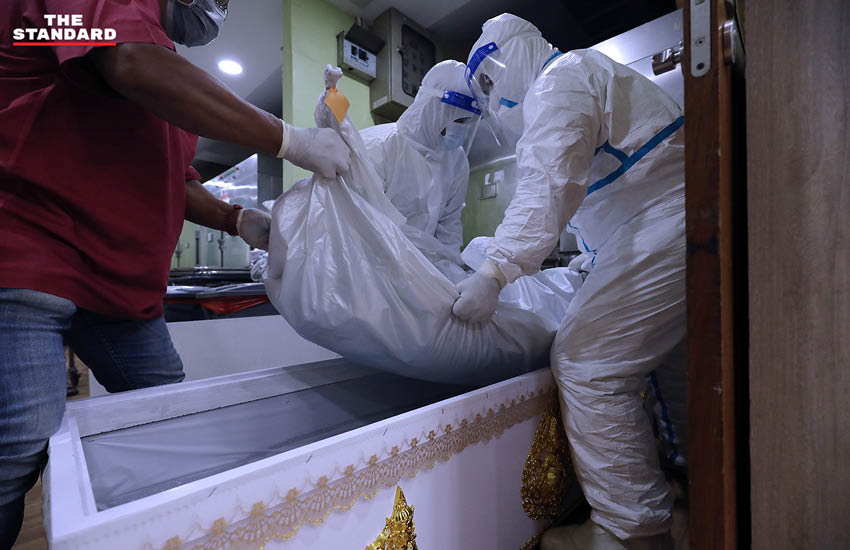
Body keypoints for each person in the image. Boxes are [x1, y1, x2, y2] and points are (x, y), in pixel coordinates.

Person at [0, 0, 350, 546]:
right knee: (20, 441)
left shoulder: (162, 67)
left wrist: (237, 219)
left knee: (170, 412)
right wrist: (293, 141)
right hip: (32, 254)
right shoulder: (124, 41)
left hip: (122, 288)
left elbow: (176, 180)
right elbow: (128, 59)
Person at [452, 14, 686, 550]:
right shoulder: (581, 74)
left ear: (512, 55)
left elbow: (547, 186)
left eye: (488, 78)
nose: (490, 95)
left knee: (586, 362)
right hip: (669, 221)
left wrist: (494, 271)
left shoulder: (557, 80)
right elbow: (596, 195)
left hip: (663, 222)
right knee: (667, 366)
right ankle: (680, 494)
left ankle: (632, 531)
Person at [360, 60, 480, 256]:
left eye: (468, 122)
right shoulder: (376, 146)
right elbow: (362, 226)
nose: (462, 129)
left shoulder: (457, 161)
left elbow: (449, 226)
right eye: (458, 119)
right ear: (432, 108)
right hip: (372, 263)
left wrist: (448, 267)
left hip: (421, 267)